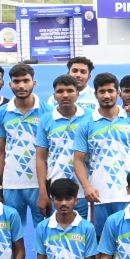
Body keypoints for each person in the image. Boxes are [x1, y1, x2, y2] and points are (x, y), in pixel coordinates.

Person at [73, 72, 130, 238]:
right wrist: (87, 186)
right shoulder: (86, 124)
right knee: (101, 243)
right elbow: (78, 160)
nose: (106, 96)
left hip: (128, 195)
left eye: (110, 91)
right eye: (102, 91)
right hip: (99, 196)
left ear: (118, 93)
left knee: (129, 241)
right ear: (95, 94)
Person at [0, 63, 43, 230]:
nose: (21, 85)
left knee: (45, 230)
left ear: (34, 83)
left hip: (39, 185)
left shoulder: (47, 111)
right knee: (11, 232)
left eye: (26, 81)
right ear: (10, 84)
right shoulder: (2, 112)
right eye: (16, 81)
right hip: (11, 183)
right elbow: (0, 151)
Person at [36, 74, 92, 219]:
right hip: (56, 190)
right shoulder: (46, 119)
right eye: (60, 91)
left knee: (85, 231)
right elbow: (40, 158)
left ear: (77, 94)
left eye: (70, 91)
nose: (65, 95)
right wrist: (43, 192)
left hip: (86, 191)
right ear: (54, 95)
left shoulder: (91, 116)